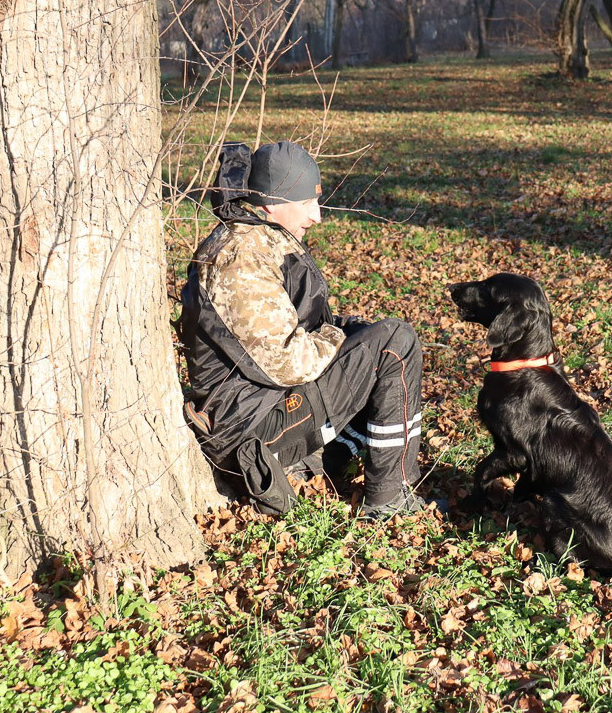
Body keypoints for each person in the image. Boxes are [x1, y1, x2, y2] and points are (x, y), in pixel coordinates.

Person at [178, 141, 427, 520]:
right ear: (271, 203)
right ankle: (390, 498)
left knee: (373, 347)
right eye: (307, 202)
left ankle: (313, 465)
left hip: (262, 410)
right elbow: (289, 363)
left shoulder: (257, 239)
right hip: (251, 429)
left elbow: (292, 330)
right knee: (395, 344)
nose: (317, 216)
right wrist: (338, 337)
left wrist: (349, 331)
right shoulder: (241, 256)